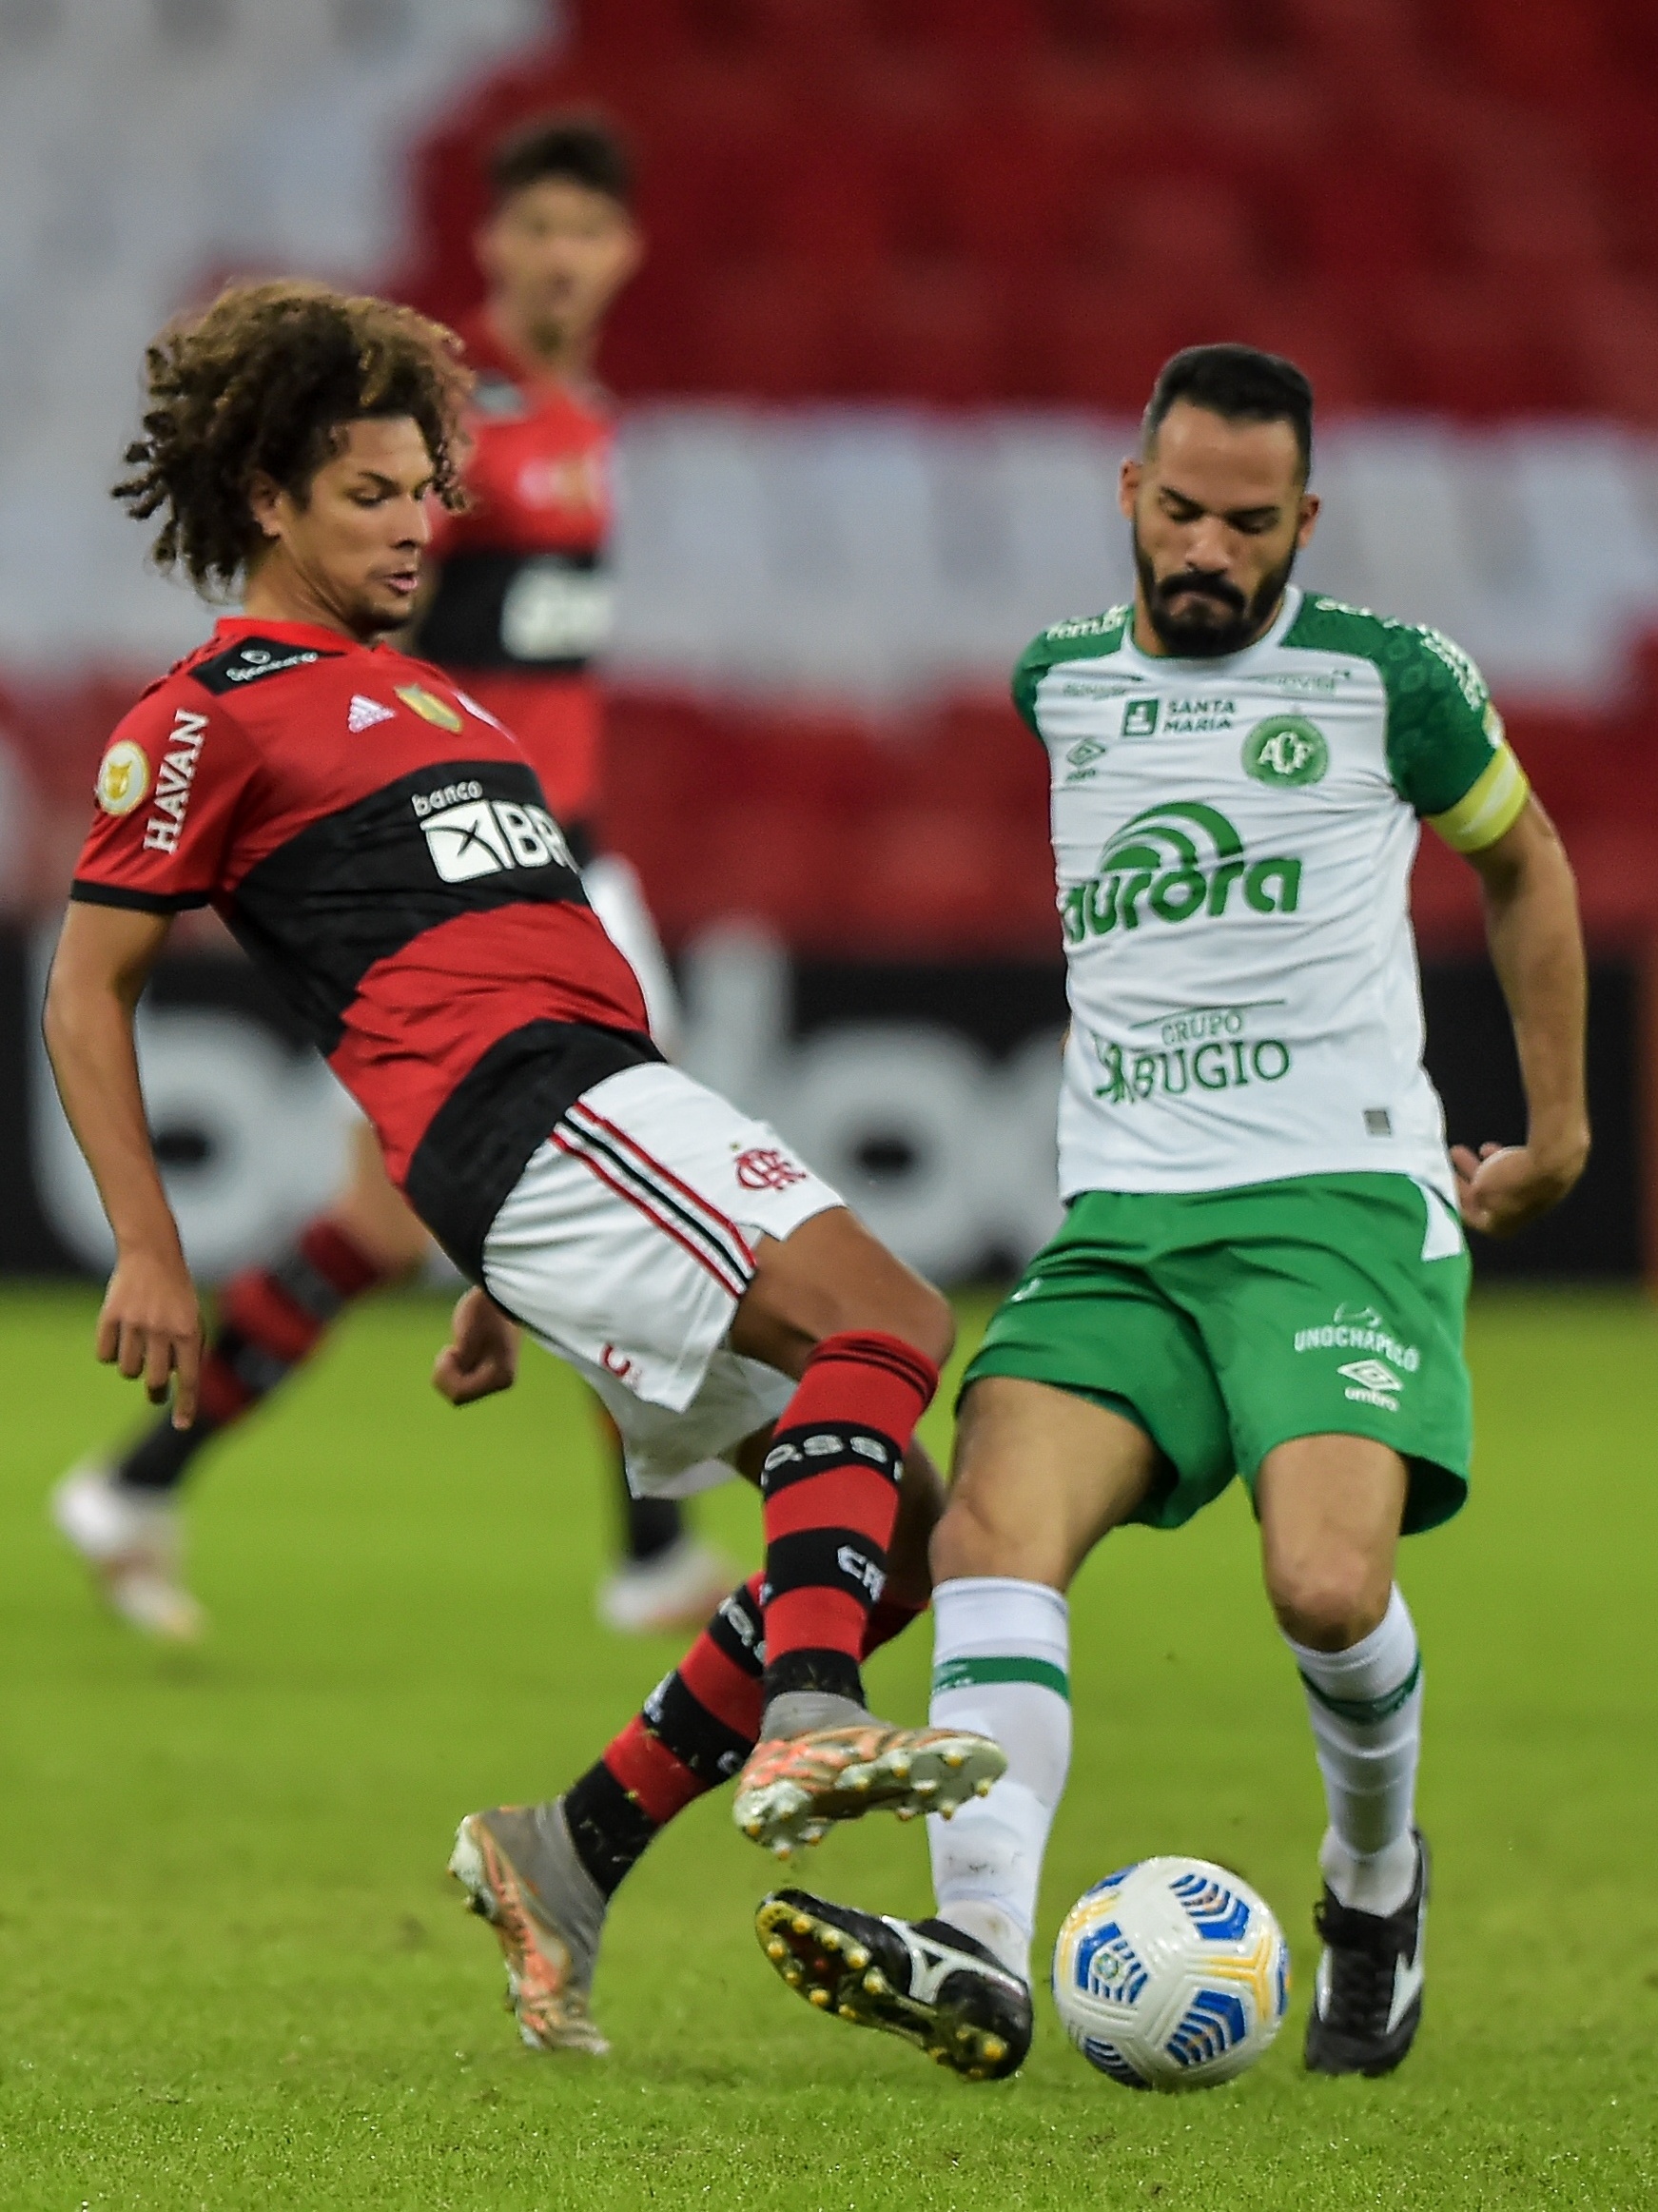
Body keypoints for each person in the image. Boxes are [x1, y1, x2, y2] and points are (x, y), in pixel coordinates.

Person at [45, 279, 1005, 2051]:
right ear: (266, 496)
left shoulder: (435, 702)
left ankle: (568, 1846)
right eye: (370, 493)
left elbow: (513, 938)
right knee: (894, 1316)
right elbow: (86, 989)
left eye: (428, 489)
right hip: (538, 1114)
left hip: (581, 1121)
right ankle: (805, 1710)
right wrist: (149, 1243)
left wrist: (493, 1276)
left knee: (905, 1540)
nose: (420, 524)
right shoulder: (210, 712)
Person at [755, 343, 1590, 2082]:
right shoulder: (1056, 679)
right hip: (1125, 1219)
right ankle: (978, 1950)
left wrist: (1560, 1124)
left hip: (1337, 1203)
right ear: (1131, 496)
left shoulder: (1390, 677)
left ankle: (1374, 1881)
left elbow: (1524, 862)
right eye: (1186, 511)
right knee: (990, 1539)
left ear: (1305, 523)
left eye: (1253, 522)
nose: (1212, 550)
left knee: (1325, 1584)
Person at [51, 113, 732, 1644]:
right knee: (589, 1179)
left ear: (624, 252)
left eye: (588, 229)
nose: (560, 254)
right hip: (472, 875)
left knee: (415, 1213)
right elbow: (367, 648)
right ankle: (648, 1545)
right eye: (535, 227)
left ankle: (147, 1485)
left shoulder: (585, 417)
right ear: (494, 244)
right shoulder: (454, 427)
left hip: (567, 857)